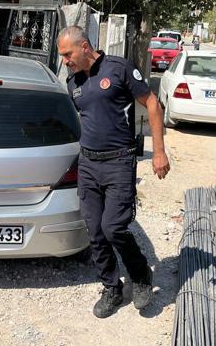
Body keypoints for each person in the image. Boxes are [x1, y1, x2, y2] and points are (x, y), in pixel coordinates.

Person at [57, 26, 170, 318]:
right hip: (89, 164)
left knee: (114, 227)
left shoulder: (118, 69)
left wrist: (159, 151)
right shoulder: (74, 82)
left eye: (68, 54)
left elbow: (152, 104)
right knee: (94, 230)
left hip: (119, 161)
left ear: (84, 46)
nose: (65, 61)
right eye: (62, 56)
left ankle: (141, 273)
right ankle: (111, 287)